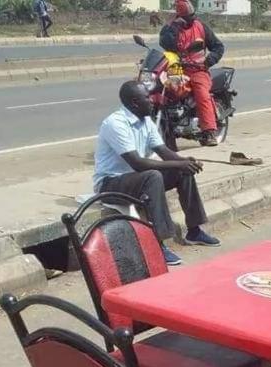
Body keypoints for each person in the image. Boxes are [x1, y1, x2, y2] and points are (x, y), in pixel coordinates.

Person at [93, 81, 220, 267]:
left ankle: (194, 230)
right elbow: (137, 163)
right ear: (135, 102)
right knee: (153, 176)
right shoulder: (115, 124)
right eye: (147, 97)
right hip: (111, 183)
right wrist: (178, 164)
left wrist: (184, 162)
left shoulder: (145, 120)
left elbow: (162, 150)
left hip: (135, 180)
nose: (152, 100)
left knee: (182, 171)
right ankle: (158, 243)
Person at [159, 0, 225, 147]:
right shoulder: (172, 28)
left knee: (202, 94)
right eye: (187, 17)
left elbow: (218, 47)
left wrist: (208, 61)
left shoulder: (201, 27)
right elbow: (165, 43)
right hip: (176, 69)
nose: (191, 19)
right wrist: (172, 26)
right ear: (179, 16)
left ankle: (209, 132)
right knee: (163, 89)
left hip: (198, 70)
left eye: (192, 16)